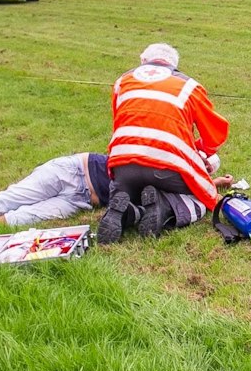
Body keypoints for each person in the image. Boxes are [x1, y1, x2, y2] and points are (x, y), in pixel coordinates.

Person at [99, 42, 230, 245]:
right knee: (202, 198)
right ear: (174, 65)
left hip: (122, 165)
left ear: (143, 61)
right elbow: (216, 133)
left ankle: (127, 212)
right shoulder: (189, 86)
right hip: (168, 166)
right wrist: (202, 151)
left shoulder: (122, 81)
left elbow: (119, 123)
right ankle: (164, 207)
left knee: (129, 196)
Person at [0, 151, 235, 228]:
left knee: (21, 219)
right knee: (4, 202)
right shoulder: (163, 158)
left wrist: (214, 184)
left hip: (80, 201)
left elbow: (197, 189)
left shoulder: (187, 179)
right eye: (203, 166)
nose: (202, 172)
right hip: (71, 171)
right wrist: (208, 184)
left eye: (207, 170)